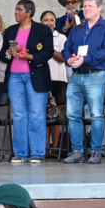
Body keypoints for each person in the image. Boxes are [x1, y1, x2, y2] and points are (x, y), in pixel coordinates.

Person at [62, 0, 105, 164]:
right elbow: (66, 48)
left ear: (99, 8)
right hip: (76, 76)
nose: (85, 9)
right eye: (84, 6)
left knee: (95, 115)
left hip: (96, 75)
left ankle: (96, 151)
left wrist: (85, 59)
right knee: (72, 114)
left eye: (90, 6)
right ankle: (77, 150)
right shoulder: (77, 29)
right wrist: (69, 59)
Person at [0, 0, 53, 163]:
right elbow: (2, 55)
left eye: (19, 10)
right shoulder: (10, 31)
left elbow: (48, 52)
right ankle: (20, 153)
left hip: (35, 76)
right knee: (19, 115)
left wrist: (30, 56)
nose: (16, 12)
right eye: (15, 9)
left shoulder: (43, 30)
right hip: (14, 77)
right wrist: (9, 52)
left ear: (29, 12)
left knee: (36, 114)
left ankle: (37, 152)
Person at [40, 11, 67, 157]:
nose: (49, 22)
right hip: (42, 79)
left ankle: (54, 150)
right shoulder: (37, 37)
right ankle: (44, 150)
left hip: (58, 78)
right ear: (40, 22)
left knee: (56, 115)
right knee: (43, 115)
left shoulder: (61, 37)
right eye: (46, 20)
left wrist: (48, 46)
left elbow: (63, 58)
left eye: (52, 20)